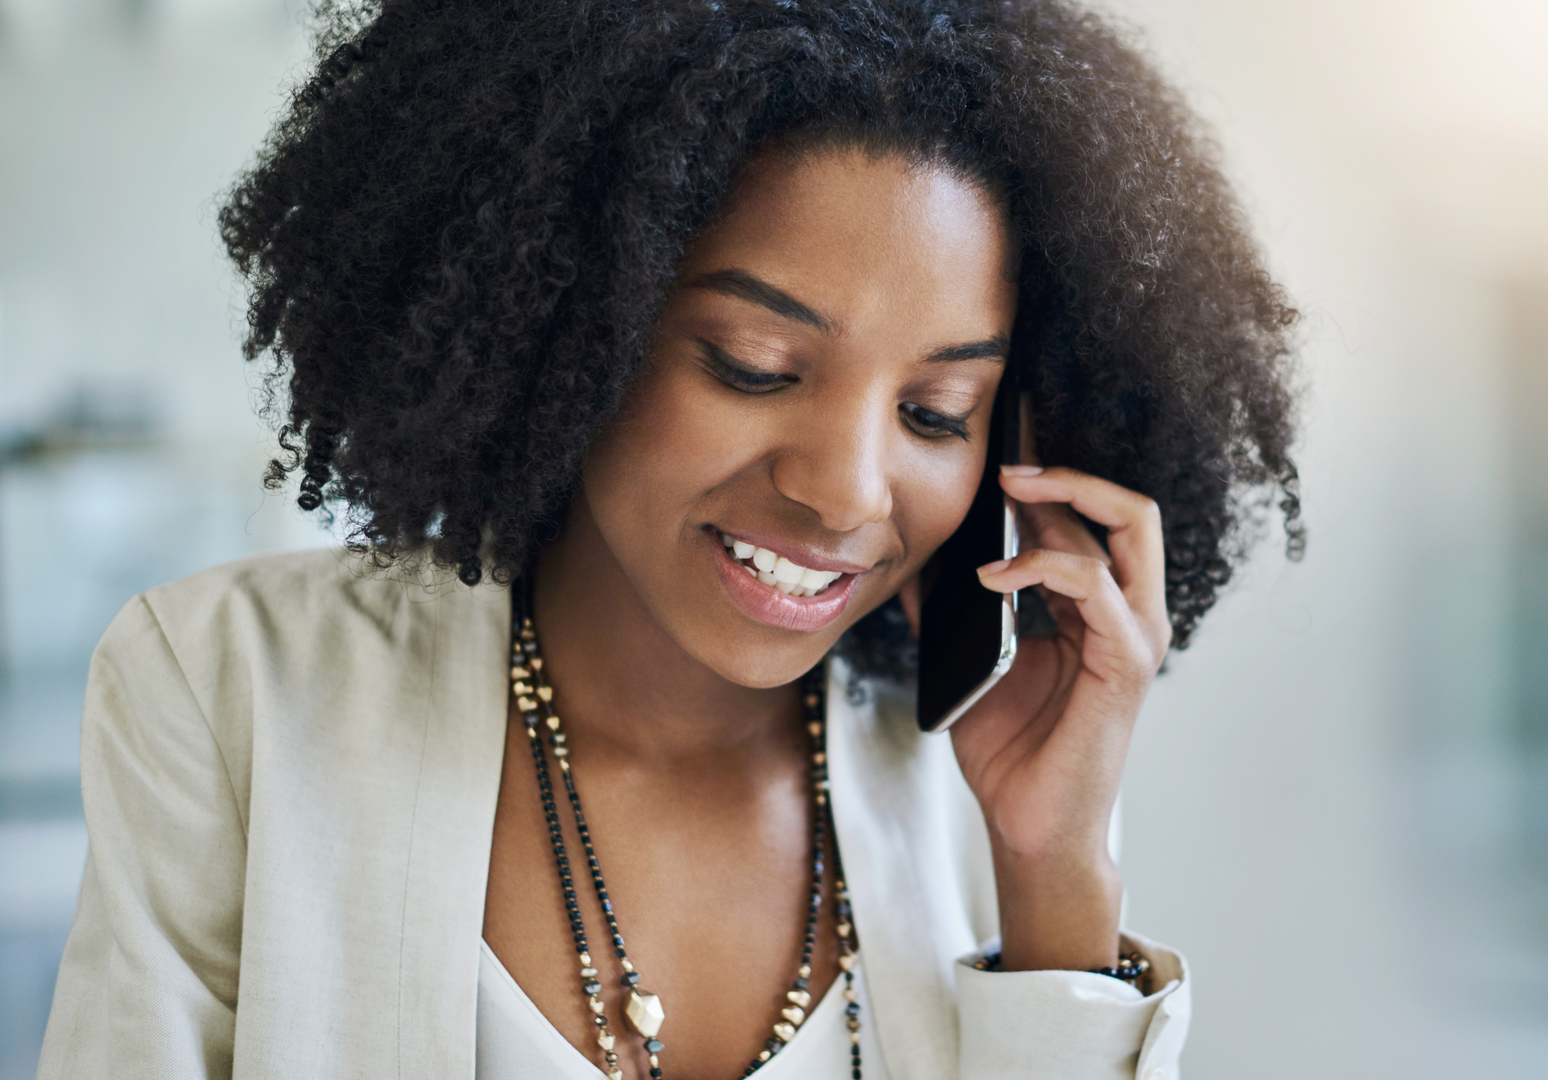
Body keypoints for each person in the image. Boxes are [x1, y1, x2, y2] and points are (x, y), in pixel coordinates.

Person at [36, 1, 1301, 1077]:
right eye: (752, 367)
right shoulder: (231, 686)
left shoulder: (977, 789)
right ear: (566, 318)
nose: (846, 492)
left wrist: (1054, 876)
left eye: (935, 412)